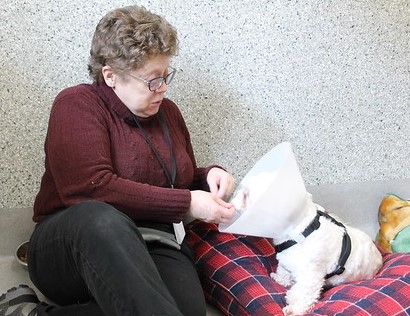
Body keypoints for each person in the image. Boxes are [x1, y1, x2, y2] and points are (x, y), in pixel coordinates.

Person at [0, 5, 235, 316]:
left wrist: (210, 178)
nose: (162, 88)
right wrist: (187, 203)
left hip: (152, 240)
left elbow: (181, 180)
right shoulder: (77, 104)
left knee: (185, 310)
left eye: (167, 76)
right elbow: (89, 188)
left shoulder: (169, 113)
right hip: (76, 244)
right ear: (110, 76)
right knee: (103, 218)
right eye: (152, 80)